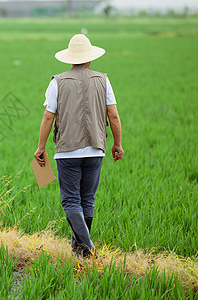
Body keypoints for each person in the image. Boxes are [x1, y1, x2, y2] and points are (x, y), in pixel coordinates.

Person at [34, 34, 123, 258]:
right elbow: (113, 115)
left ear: (70, 59)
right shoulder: (103, 80)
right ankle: (80, 252)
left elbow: (47, 117)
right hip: (96, 149)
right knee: (87, 200)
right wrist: (117, 144)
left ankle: (88, 249)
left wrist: (41, 147)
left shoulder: (57, 81)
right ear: (89, 59)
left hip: (67, 151)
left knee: (71, 200)